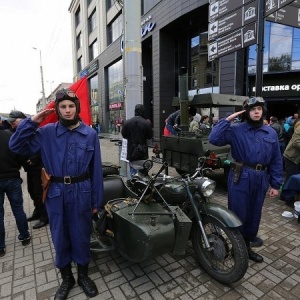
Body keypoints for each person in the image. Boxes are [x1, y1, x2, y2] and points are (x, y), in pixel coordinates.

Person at [9, 89, 103, 299]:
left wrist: (97, 200)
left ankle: (83, 276)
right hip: (56, 193)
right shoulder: (46, 132)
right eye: (63, 107)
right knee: (60, 236)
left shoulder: (90, 134)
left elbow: (96, 169)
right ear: (57, 109)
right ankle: (67, 279)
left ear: (77, 108)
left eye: (71, 106)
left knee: (81, 235)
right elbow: (15, 145)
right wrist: (33, 121)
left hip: (82, 191)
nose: (67, 110)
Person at [209, 97, 283, 263]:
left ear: (263, 111)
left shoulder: (270, 132)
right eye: (252, 109)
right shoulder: (236, 129)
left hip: (261, 177)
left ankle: (246, 248)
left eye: (259, 109)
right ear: (246, 112)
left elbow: (276, 160)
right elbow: (214, 139)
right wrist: (227, 120)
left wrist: (275, 184)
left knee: (254, 214)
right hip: (241, 176)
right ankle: (237, 249)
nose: (257, 112)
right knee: (238, 214)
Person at [7, 110, 49, 229]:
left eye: (14, 121)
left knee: (39, 192)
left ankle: (45, 217)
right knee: (32, 191)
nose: (12, 124)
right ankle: (37, 212)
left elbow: (42, 146)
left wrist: (34, 159)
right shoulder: (18, 132)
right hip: (29, 169)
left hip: (38, 168)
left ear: (22, 120)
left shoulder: (34, 130)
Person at [0, 127, 31, 257]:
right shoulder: (10, 136)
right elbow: (21, 155)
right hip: (12, 177)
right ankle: (24, 237)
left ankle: (1, 247)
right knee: (18, 208)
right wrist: (25, 166)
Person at [121, 104, 153, 177]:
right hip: (143, 151)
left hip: (131, 151)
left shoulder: (128, 122)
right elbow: (149, 136)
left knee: (132, 169)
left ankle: (132, 184)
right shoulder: (146, 123)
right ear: (142, 112)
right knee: (142, 169)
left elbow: (124, 135)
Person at [281, 118, 300, 207]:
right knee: (291, 176)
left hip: (297, 158)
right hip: (291, 157)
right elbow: (296, 142)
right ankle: (288, 198)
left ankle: (283, 196)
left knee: (291, 176)